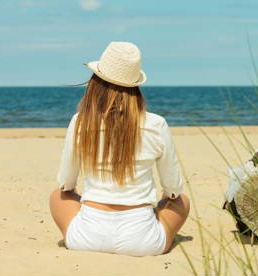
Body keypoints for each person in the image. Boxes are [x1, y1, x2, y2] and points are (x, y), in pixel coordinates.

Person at [49, 41, 190, 256]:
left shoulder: (81, 122)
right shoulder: (156, 124)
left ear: (95, 83)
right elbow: (173, 190)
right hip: (144, 242)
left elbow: (66, 183)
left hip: (87, 237)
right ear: (135, 86)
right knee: (182, 201)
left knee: (57, 196)